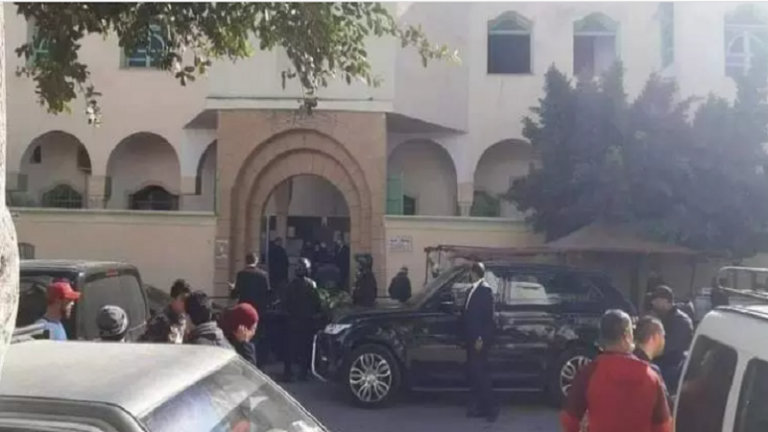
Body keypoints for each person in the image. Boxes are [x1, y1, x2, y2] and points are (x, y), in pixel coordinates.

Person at [560, 309, 672, 432]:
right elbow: (663, 426)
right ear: (627, 336)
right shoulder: (651, 376)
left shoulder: (589, 373)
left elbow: (569, 420)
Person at [463, 262, 498, 422]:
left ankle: (490, 410)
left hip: (478, 340)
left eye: (470, 272)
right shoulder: (473, 289)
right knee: (475, 374)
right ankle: (479, 407)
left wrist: (480, 338)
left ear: (474, 273)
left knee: (481, 375)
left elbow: (487, 318)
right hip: (470, 339)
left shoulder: (485, 291)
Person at [281, 258, 323, 382]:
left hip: (292, 320)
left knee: (290, 347)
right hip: (306, 321)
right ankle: (303, 373)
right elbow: (317, 303)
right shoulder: (311, 284)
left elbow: (285, 303)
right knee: (305, 347)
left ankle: (288, 372)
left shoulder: (291, 285)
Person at [649, 285, 694, 393]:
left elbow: (672, 348)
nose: (653, 303)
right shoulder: (662, 317)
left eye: (656, 300)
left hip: (674, 367)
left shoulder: (681, 321)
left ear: (666, 301)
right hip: (662, 363)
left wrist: (650, 351)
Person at [231, 252, 272, 366]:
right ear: (256, 260)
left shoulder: (241, 274)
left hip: (244, 311)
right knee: (258, 337)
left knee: (243, 336)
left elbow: (235, 294)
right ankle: (258, 362)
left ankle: (245, 360)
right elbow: (268, 294)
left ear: (246, 261)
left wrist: (233, 288)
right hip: (259, 310)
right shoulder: (263, 275)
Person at [633, 316, 672, 407]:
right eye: (663, 336)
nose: (664, 340)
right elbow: (666, 404)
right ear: (655, 337)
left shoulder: (627, 361)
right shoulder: (652, 370)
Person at [140, 279, 191, 344]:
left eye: (188, 300)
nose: (186, 303)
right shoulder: (160, 322)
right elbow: (149, 345)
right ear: (173, 299)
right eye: (183, 300)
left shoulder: (187, 320)